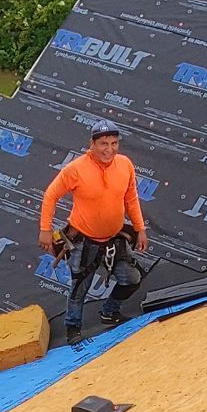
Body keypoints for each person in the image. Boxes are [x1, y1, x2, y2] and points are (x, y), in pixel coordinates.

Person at [39, 121, 149, 343]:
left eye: (114, 143)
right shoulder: (76, 170)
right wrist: (45, 230)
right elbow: (51, 195)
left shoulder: (125, 164)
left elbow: (131, 199)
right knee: (79, 288)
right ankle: (73, 327)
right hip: (84, 242)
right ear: (92, 144)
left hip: (115, 240)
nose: (109, 149)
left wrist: (140, 229)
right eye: (103, 143)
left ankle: (109, 311)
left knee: (132, 278)